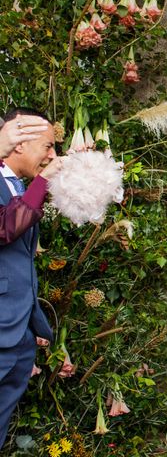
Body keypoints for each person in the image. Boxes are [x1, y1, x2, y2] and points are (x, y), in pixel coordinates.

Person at [0, 108, 63, 448]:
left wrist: (33, 326)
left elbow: (20, 265)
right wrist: (42, 183)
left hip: (17, 336)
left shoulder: (18, 187)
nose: (52, 155)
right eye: (48, 146)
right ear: (19, 142)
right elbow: (5, 228)